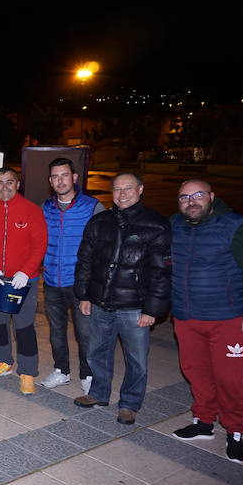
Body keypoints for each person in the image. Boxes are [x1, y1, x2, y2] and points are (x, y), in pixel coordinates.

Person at [169, 180, 243, 463]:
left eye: (198, 195)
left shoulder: (238, 227)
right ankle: (203, 421)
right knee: (195, 372)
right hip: (187, 317)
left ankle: (235, 430)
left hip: (229, 319)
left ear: (212, 197)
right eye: (185, 197)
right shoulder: (175, 225)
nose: (192, 201)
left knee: (229, 378)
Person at [73, 173, 171, 425]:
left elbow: (162, 272)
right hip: (100, 301)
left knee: (136, 359)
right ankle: (98, 392)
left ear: (140, 190)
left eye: (128, 189)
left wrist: (152, 310)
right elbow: (85, 262)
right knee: (97, 352)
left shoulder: (156, 225)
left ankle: (129, 403)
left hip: (134, 307)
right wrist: (84, 295)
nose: (122, 194)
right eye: (117, 189)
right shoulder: (99, 221)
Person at [0, 167, 47, 395]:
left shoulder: (31, 211)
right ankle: (4, 361)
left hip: (24, 282)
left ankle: (27, 371)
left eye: (9, 182)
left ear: (17, 184)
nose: (4, 187)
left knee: (23, 327)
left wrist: (26, 271)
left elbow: (39, 244)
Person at [39, 157, 105, 392]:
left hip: (81, 284)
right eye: (55, 176)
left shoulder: (92, 207)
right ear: (50, 181)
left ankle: (88, 376)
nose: (60, 180)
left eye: (64, 175)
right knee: (56, 331)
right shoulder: (46, 208)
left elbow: (103, 248)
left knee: (85, 334)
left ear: (74, 178)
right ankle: (61, 371)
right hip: (52, 282)